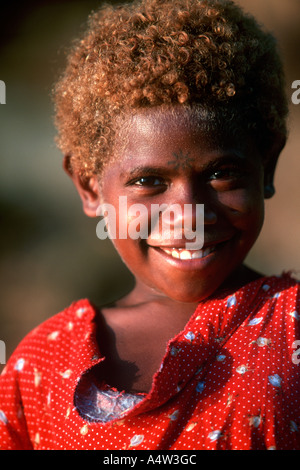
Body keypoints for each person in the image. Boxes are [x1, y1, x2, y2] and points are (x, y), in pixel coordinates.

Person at [0, 0, 299, 450]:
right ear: (89, 187)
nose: (189, 213)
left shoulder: (291, 330)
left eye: (222, 173)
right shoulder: (39, 365)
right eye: (149, 181)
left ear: (268, 168)